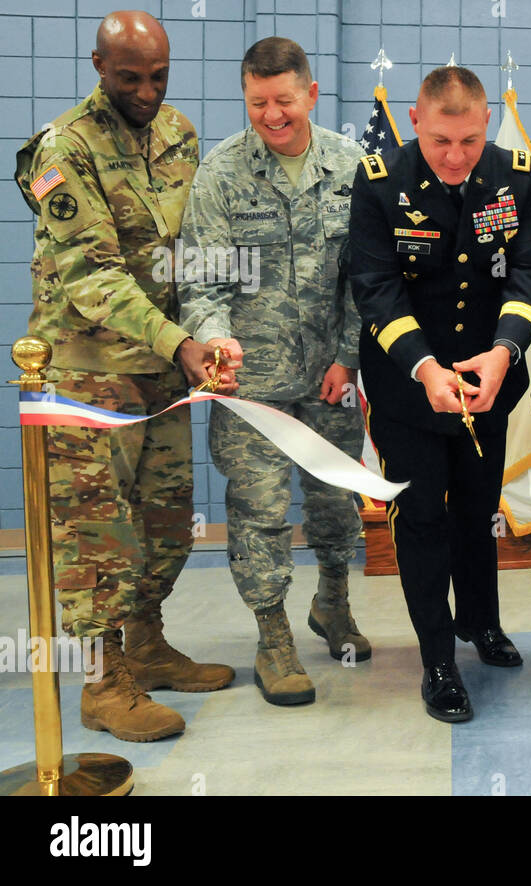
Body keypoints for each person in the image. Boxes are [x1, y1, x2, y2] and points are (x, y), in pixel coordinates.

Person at [14, 10, 235, 742]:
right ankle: (102, 683)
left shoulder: (177, 133)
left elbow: (193, 246)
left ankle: (145, 643)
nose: (146, 90)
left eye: (158, 76)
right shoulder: (62, 150)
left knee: (167, 522)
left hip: (162, 369)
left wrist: (206, 335)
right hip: (86, 375)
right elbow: (94, 275)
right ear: (99, 67)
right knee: (98, 538)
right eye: (130, 77)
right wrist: (181, 344)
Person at [348, 65, 531, 723]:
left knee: (477, 509)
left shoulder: (516, 176)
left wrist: (502, 353)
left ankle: (481, 624)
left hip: (488, 384)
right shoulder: (380, 184)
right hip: (410, 392)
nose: (457, 156)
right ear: (416, 121)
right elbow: (375, 287)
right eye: (441, 141)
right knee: (424, 522)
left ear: (486, 123)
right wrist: (425, 368)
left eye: (469, 140)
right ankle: (438, 659)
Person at [179, 37, 367, 706]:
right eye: (258, 102)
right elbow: (201, 282)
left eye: (284, 100)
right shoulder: (221, 174)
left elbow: (367, 279)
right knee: (258, 512)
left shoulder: (354, 167)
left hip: (331, 377)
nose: (272, 115)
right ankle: (272, 636)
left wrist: (349, 355)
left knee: (334, 497)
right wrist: (215, 338)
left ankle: (333, 603)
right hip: (251, 382)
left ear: (311, 95)